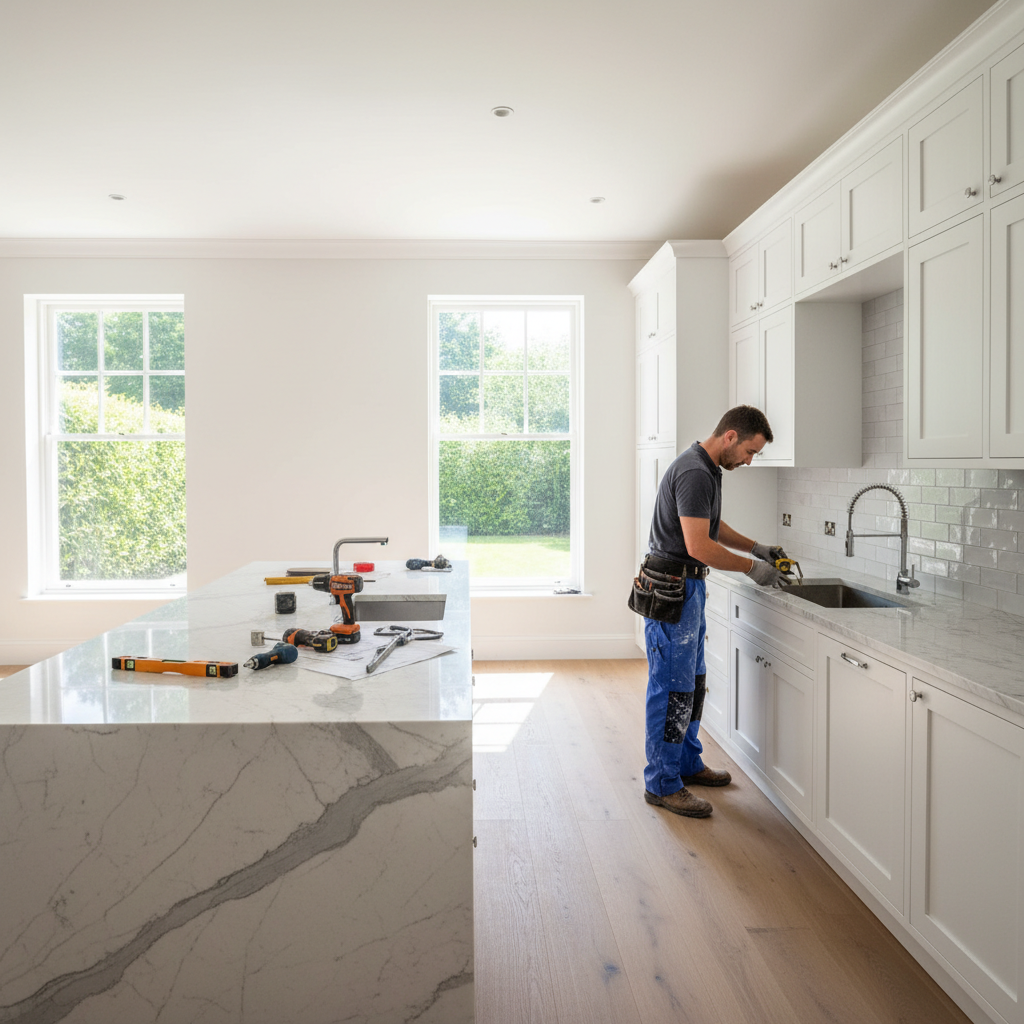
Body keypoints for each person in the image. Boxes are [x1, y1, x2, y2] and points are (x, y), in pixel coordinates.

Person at [632, 405, 790, 818]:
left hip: (688, 589)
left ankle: (685, 762)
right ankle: (662, 783)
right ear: (731, 436)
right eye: (750, 451)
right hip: (673, 590)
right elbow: (699, 546)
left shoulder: (707, 467)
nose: (750, 461)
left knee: (693, 684)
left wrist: (756, 547)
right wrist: (752, 568)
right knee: (672, 691)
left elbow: (708, 526)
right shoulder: (696, 471)